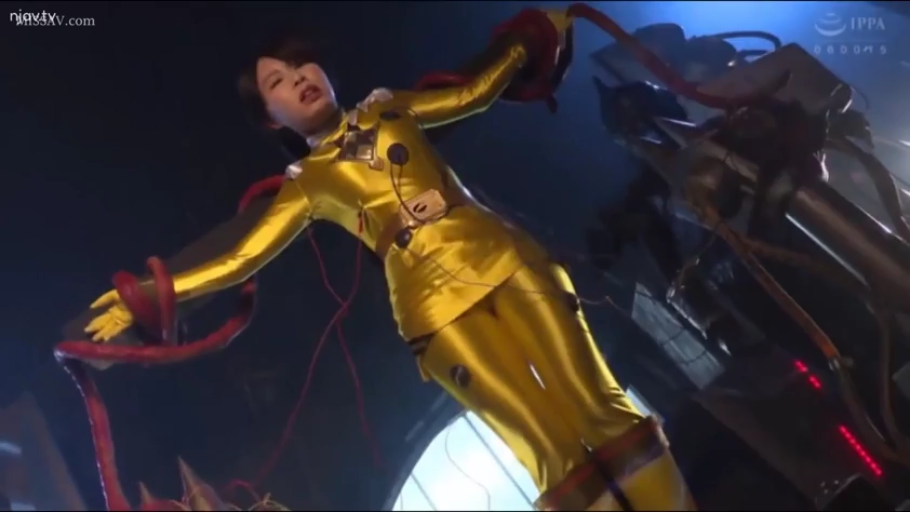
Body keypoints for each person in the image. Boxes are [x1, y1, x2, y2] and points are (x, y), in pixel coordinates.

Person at [82, 8, 695, 511]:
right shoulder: (307, 183)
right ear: (271, 120)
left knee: (597, 404)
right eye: (277, 83)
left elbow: (474, 92)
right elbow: (244, 255)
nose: (298, 78)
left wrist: (530, 36)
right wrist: (149, 294)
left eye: (300, 65)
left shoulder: (388, 108)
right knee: (544, 443)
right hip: (434, 310)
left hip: (507, 260)